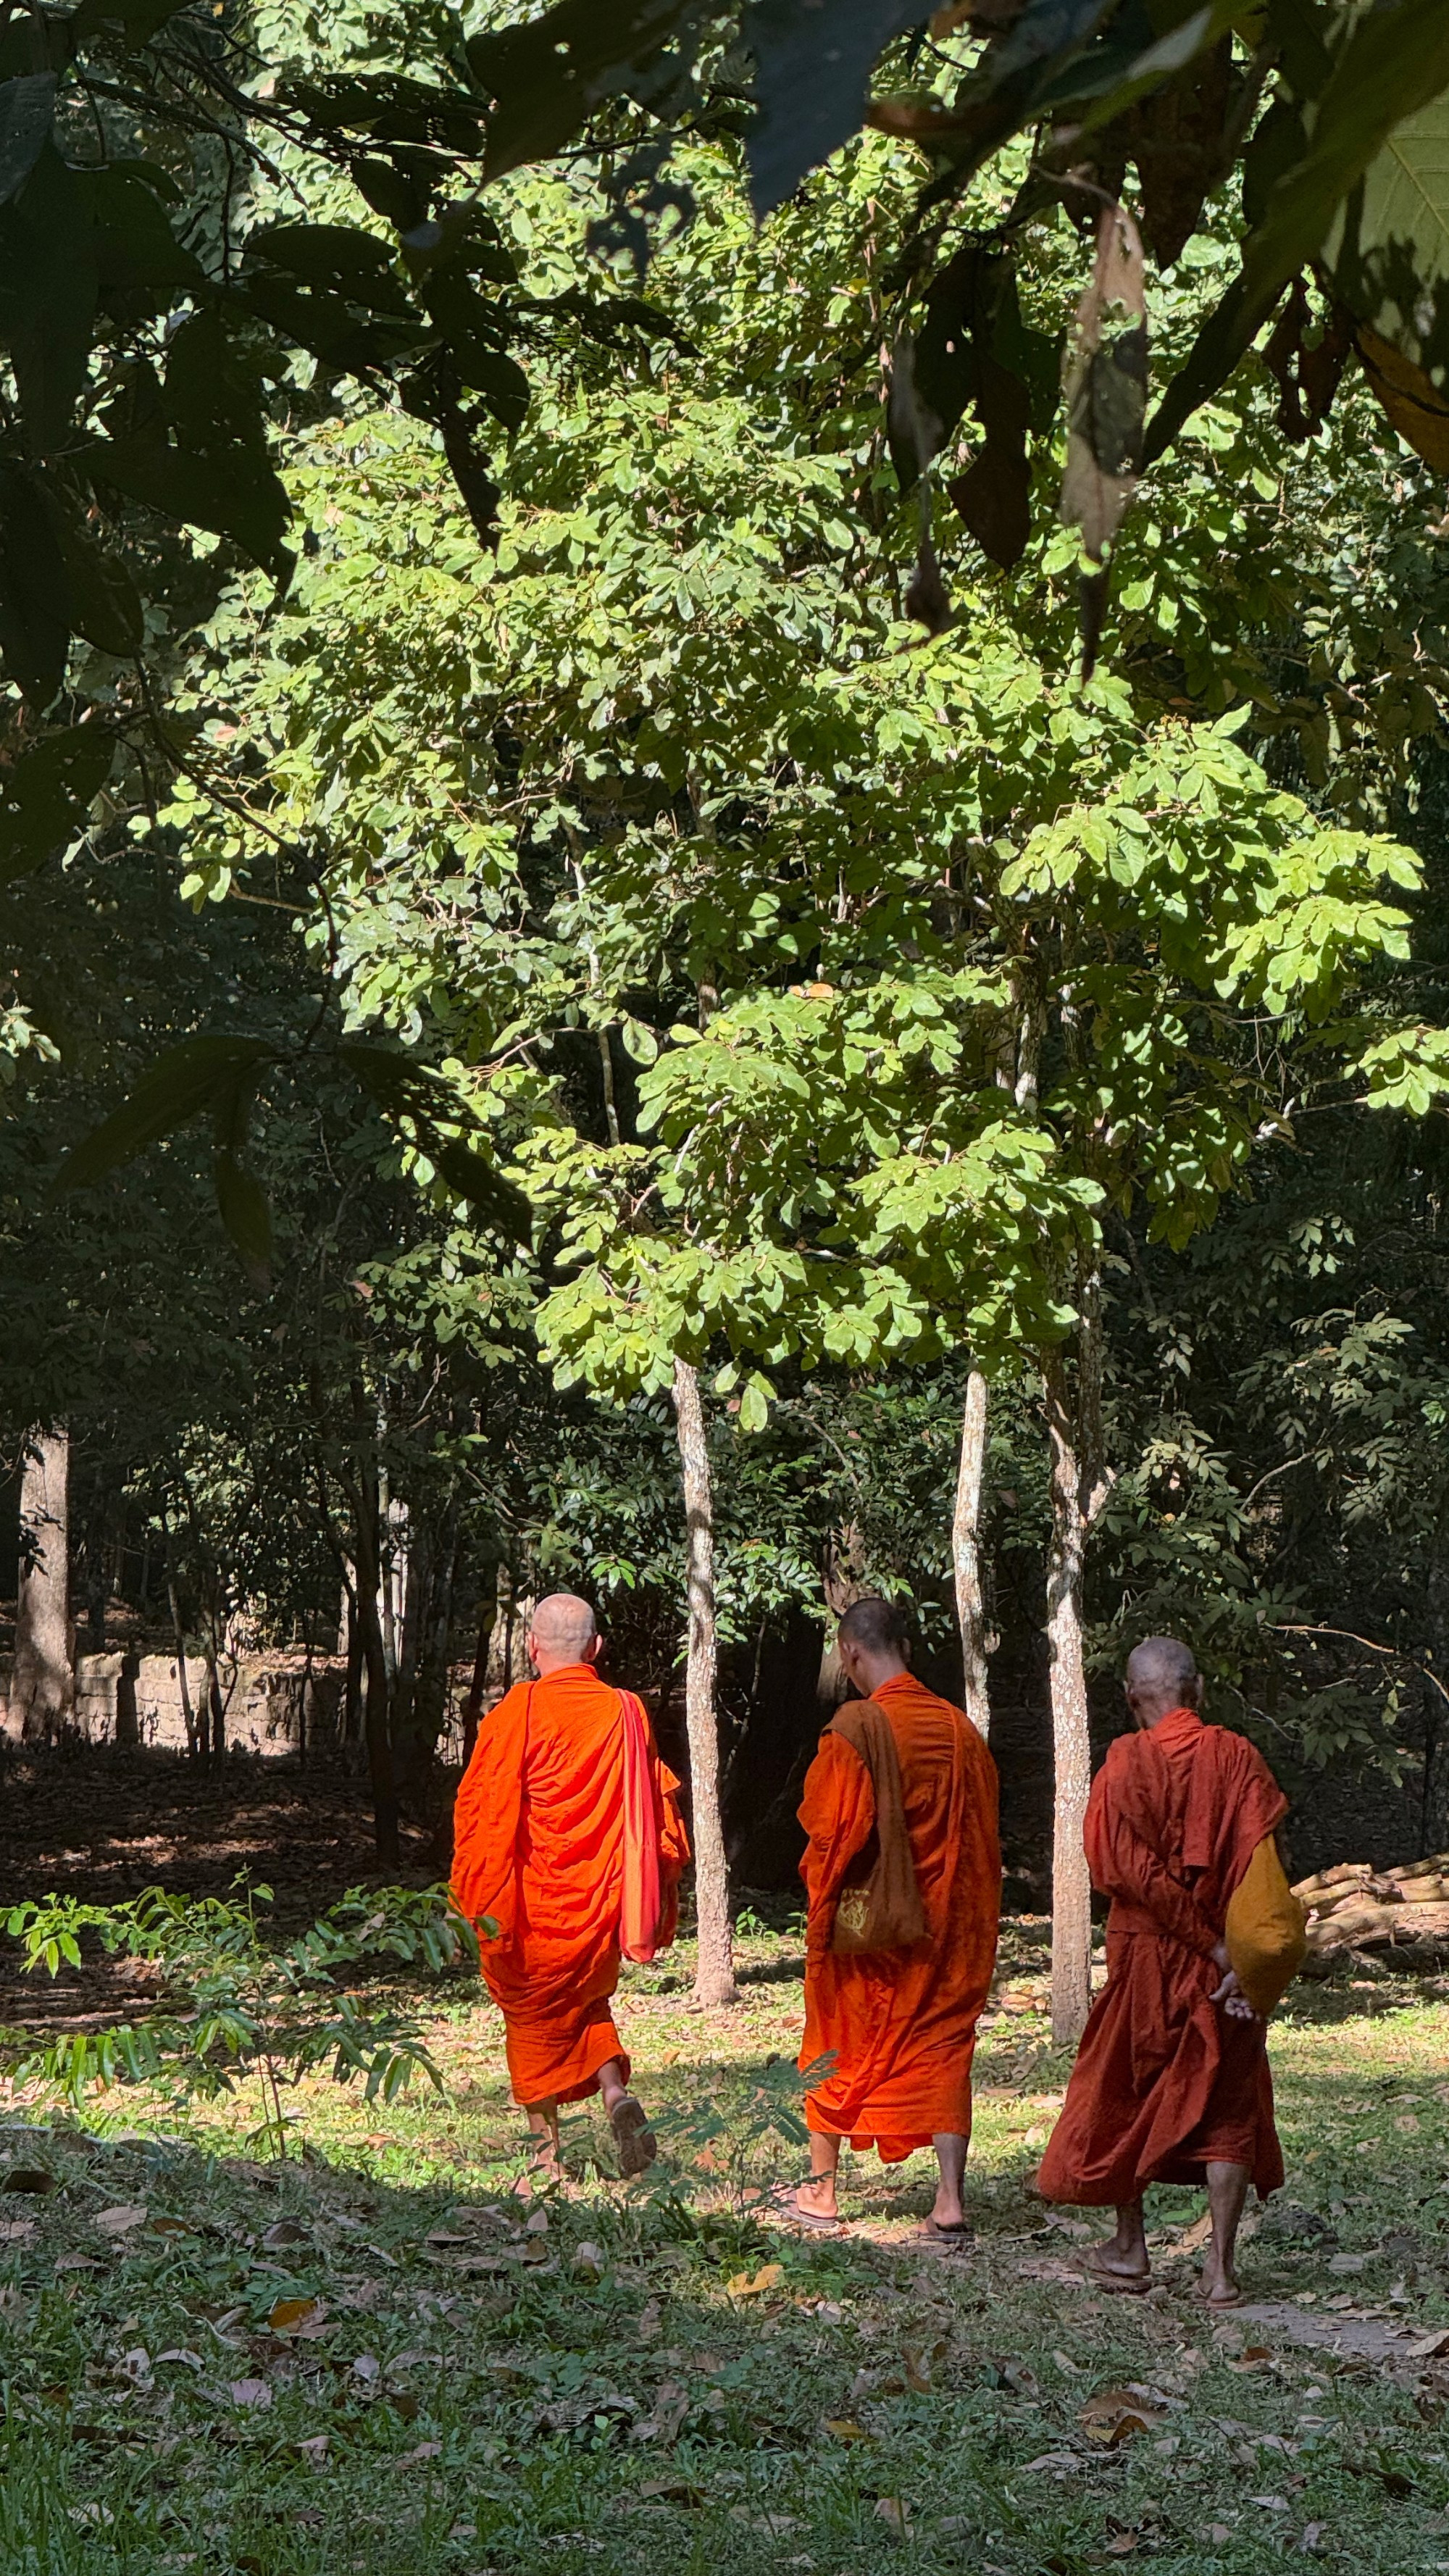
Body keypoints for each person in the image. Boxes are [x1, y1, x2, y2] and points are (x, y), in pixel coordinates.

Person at [1035, 1635, 1287, 2309]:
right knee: (1228, 2098)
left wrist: (1206, 1944)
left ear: (1129, 1698)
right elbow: (1263, 1869)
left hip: (1148, 1955)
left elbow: (1120, 1870)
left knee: (1128, 2090)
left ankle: (1129, 2246)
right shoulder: (1236, 1757)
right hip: (1226, 1963)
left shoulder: (1123, 1763)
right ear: (1197, 1689)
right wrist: (1233, 1952)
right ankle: (1220, 2270)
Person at [778, 1596, 1001, 2239]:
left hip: (868, 1927)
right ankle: (950, 2199)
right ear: (903, 1647)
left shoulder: (856, 1728)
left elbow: (828, 1832)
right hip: (946, 1926)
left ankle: (822, 2193)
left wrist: (825, 1894)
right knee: (944, 2041)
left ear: (851, 1653)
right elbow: (982, 1838)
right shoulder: (960, 1730)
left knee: (835, 2037)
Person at [451, 1592, 688, 2175]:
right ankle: (614, 2093)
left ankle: (546, 2159)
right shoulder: (625, 1710)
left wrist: (474, 1901)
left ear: (532, 1648)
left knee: (532, 2017)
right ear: (597, 1649)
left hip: (531, 1905)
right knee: (586, 2001)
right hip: (600, 1900)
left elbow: (481, 1816)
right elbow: (653, 1811)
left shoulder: (514, 1714)